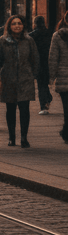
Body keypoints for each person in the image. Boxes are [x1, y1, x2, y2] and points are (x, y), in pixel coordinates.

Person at [0, 14, 39, 147]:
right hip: (8, 79)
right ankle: (11, 137)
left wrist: (33, 74)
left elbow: (35, 58)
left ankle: (24, 138)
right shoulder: (2, 41)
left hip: (25, 79)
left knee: (24, 109)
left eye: (19, 23)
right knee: (10, 109)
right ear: (9, 26)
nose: (17, 26)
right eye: (14, 24)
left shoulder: (29, 40)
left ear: (23, 25)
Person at [46, 12, 68, 145]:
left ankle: (66, 133)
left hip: (63, 79)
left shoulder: (57, 35)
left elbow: (53, 59)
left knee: (66, 108)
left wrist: (51, 77)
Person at [29, 16, 53, 114]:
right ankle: (47, 98)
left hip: (38, 63)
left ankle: (44, 105)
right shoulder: (50, 34)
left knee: (41, 84)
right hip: (48, 62)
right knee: (44, 83)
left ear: (34, 24)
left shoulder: (32, 35)